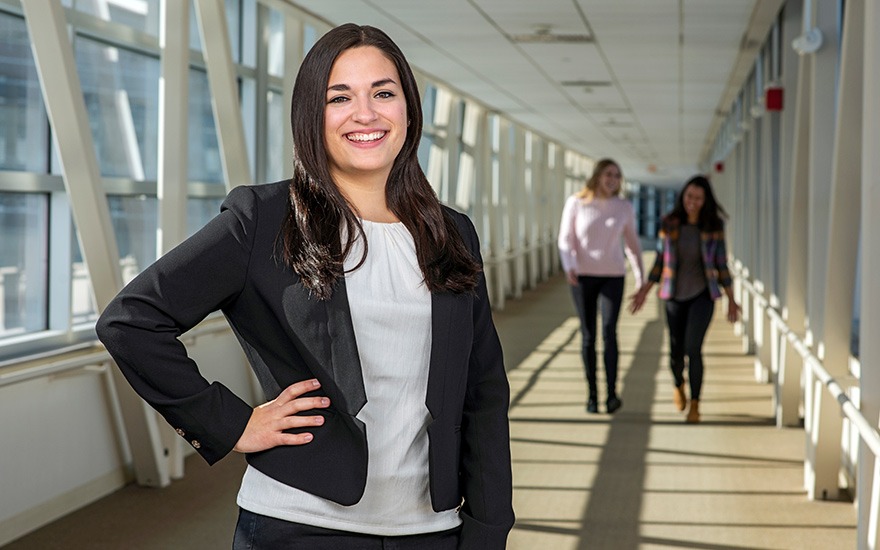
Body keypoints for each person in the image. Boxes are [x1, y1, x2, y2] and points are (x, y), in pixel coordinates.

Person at [96, 23, 514, 549]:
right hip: (297, 526)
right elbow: (131, 321)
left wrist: (488, 530)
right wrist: (232, 424)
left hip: (431, 530)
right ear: (311, 115)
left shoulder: (451, 233)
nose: (366, 114)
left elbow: (483, 392)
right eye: (340, 97)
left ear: (408, 107)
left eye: (383, 93)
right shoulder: (264, 220)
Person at [629, 174, 740, 423]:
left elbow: (721, 264)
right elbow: (659, 261)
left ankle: (695, 404)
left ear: (705, 200)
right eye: (689, 196)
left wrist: (732, 299)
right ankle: (678, 384)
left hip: (703, 295)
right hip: (673, 296)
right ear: (683, 196)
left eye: (698, 198)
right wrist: (645, 290)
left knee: (693, 348)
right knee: (675, 352)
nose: (693, 201)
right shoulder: (669, 223)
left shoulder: (713, 226)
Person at [558, 158, 644, 414]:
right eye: (608, 174)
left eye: (617, 176)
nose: (613, 179)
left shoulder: (624, 207)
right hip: (582, 276)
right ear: (597, 176)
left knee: (609, 332)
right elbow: (565, 238)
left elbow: (632, 244)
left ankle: (612, 394)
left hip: (613, 276)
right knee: (588, 335)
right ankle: (592, 395)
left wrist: (640, 278)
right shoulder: (576, 203)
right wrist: (569, 264)